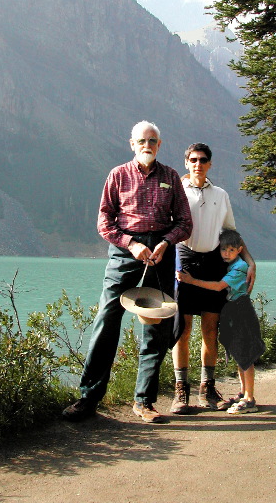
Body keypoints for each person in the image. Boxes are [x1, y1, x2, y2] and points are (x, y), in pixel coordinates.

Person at [62, 121, 192, 424]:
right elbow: (104, 222)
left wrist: (165, 243)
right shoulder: (117, 175)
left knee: (158, 326)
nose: (147, 145)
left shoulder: (172, 177)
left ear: (160, 144)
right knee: (107, 319)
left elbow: (185, 222)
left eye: (153, 140)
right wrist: (131, 244)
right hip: (125, 254)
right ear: (132, 144)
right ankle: (88, 398)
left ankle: (144, 402)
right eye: (142, 140)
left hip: (161, 252)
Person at [170, 143, 256, 415]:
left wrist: (249, 260)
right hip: (184, 259)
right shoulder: (177, 191)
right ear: (186, 163)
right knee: (182, 331)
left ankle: (207, 387)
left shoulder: (220, 194)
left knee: (210, 329)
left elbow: (230, 231)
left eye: (203, 160)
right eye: (193, 159)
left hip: (213, 263)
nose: (198, 164)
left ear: (210, 164)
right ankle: (180, 390)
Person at [176, 228, 265, 414]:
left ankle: (244, 397)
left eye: (231, 250)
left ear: (238, 250)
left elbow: (218, 286)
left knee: (239, 349)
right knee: (238, 351)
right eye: (224, 249)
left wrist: (251, 263)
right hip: (230, 306)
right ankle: (243, 393)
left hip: (236, 307)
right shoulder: (232, 265)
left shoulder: (238, 267)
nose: (227, 253)